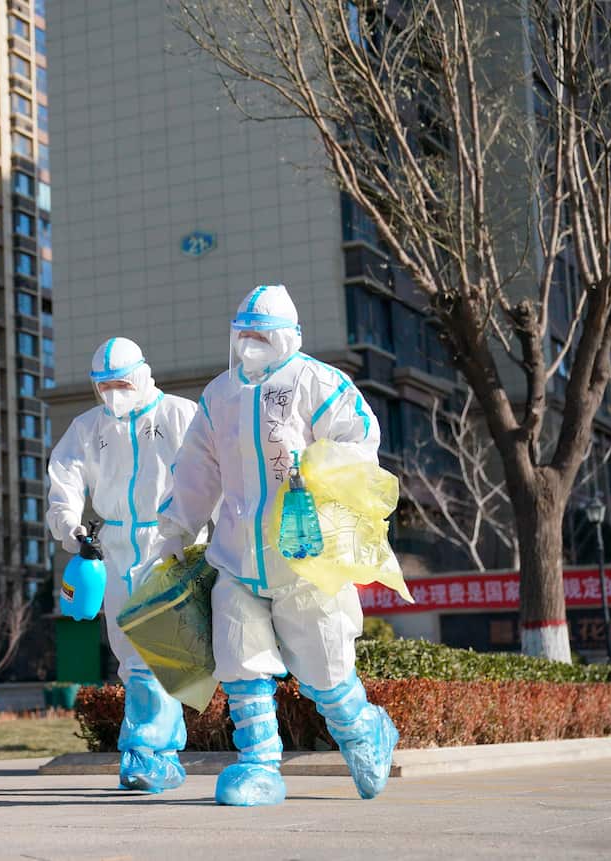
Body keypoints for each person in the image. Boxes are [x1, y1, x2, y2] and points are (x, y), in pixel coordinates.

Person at [155, 284, 399, 807]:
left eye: (263, 336)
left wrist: (322, 470)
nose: (251, 345)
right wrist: (177, 525)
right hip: (237, 557)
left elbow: (361, 440)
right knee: (241, 663)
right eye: (244, 336)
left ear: (289, 336)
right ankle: (259, 765)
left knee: (326, 669)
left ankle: (364, 735)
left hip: (304, 556)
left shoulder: (319, 381)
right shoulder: (219, 395)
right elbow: (198, 467)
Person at [47, 337, 200, 793]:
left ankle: (143, 751)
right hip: (112, 547)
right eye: (103, 385)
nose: (112, 393)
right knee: (134, 655)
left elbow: (207, 473)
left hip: (169, 541)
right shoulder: (87, 427)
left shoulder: (179, 414)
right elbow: (65, 477)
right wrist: (70, 527)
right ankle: (164, 756)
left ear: (142, 374)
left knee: (159, 653)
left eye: (120, 383)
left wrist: (199, 531)